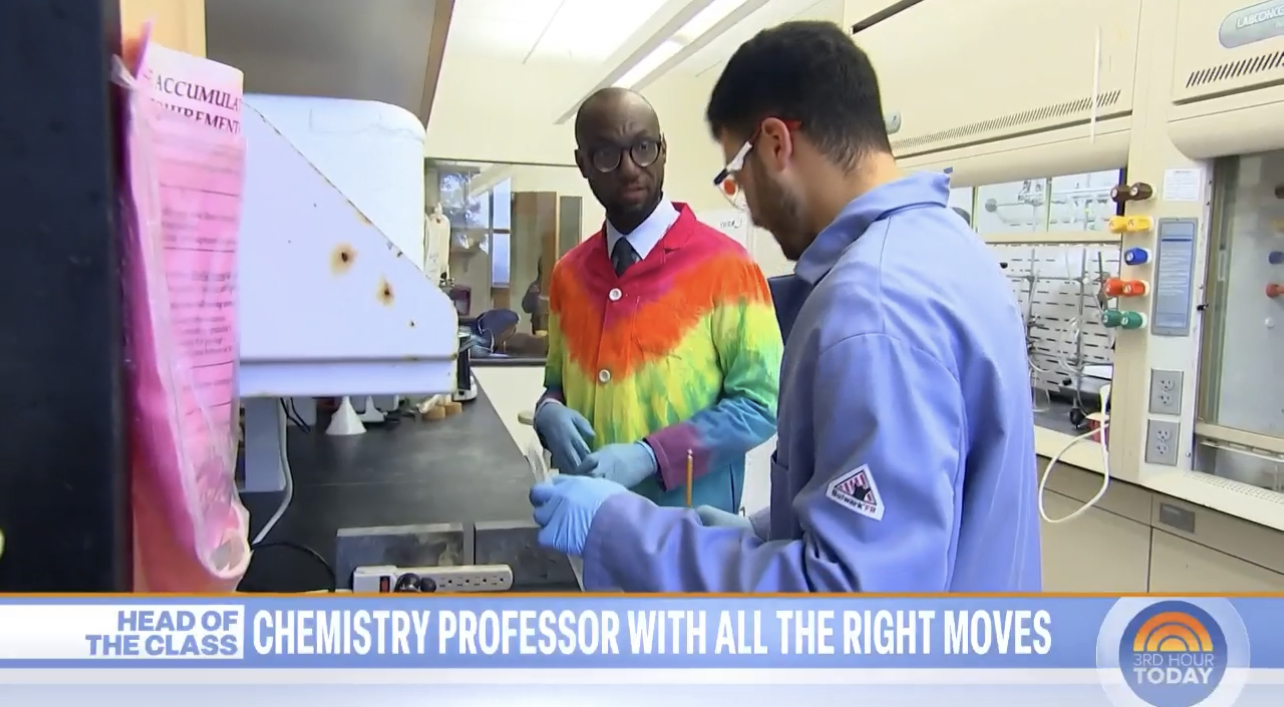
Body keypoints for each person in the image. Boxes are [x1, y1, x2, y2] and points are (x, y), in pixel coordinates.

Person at [528, 21, 1041, 592]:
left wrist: (616, 528)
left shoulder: (871, 310)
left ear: (776, 145)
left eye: (736, 176)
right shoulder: (954, 249)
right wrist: (766, 530)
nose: (748, 207)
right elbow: (908, 514)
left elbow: (847, 607)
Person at [531, 87, 782, 512]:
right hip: (589, 526)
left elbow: (761, 404)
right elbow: (558, 384)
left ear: (663, 150)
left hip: (687, 542)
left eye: (643, 148)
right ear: (583, 164)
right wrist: (547, 410)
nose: (630, 169)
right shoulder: (568, 276)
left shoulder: (727, 267)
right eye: (607, 154)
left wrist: (652, 455)